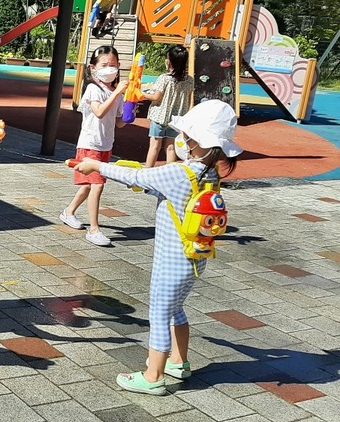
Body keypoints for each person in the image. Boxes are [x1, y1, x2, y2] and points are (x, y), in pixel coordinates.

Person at [71, 100, 241, 395]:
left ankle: (153, 376)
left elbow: (138, 177)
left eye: (187, 135)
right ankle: (179, 361)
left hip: (171, 260)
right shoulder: (208, 174)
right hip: (194, 257)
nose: (183, 140)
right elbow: (155, 184)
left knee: (160, 314)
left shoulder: (179, 173)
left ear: (198, 141)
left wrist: (97, 165)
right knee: (176, 310)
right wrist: (140, 179)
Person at [59, 46, 127, 246]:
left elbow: (120, 122)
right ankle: (94, 230)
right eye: (104, 65)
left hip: (106, 145)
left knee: (89, 186)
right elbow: (99, 112)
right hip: (90, 144)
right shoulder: (93, 89)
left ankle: (68, 212)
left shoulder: (116, 92)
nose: (110, 69)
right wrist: (117, 95)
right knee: (97, 185)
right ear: (93, 68)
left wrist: (131, 108)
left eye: (113, 65)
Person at [143, 45, 194, 168]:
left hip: (160, 117)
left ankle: (146, 172)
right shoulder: (190, 80)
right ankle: (170, 171)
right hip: (176, 119)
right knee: (171, 147)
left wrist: (141, 94)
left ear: (169, 61)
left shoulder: (164, 78)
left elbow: (156, 97)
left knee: (155, 146)